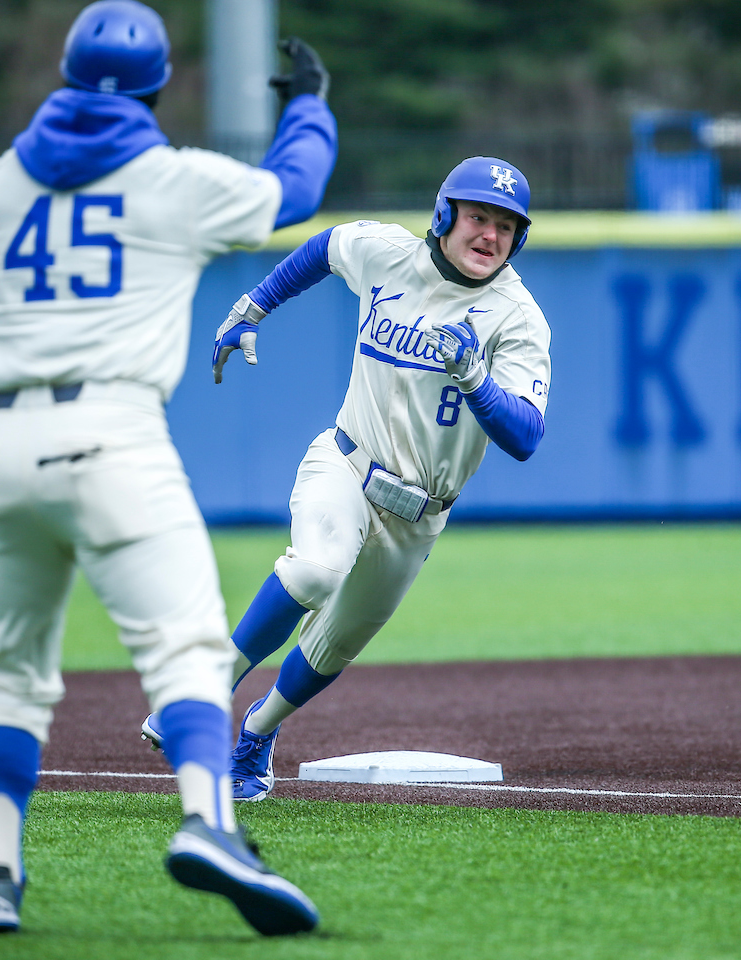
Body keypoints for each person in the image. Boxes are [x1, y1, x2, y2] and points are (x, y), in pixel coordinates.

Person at [0, 0, 337, 937]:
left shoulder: (3, 181)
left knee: (6, 674)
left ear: (62, 75)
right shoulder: (171, 181)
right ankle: (211, 826)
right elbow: (293, 190)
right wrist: (309, 107)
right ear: (159, 86)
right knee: (188, 647)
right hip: (112, 431)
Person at [141, 157, 551, 802]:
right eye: (478, 217)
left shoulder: (517, 317)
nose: (489, 236)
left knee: (335, 644)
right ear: (444, 215)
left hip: (420, 512)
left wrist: (476, 380)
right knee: (314, 570)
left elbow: (525, 437)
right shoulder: (386, 252)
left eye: (506, 226)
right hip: (347, 463)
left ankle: (256, 735)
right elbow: (324, 248)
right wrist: (252, 306)